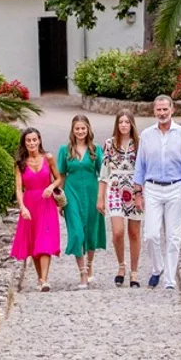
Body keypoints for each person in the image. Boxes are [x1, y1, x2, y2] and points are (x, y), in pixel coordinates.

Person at [132, 94, 181, 290]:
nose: (162, 113)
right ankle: (157, 266)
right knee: (151, 235)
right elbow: (139, 166)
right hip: (152, 188)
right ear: (154, 111)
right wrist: (137, 192)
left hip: (175, 187)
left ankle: (170, 280)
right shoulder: (146, 135)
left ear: (172, 110)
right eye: (158, 110)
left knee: (173, 236)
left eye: (165, 109)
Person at [10, 127, 63, 292]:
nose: (32, 143)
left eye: (35, 140)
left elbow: (59, 178)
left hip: (46, 202)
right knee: (34, 242)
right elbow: (19, 188)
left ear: (39, 141)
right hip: (30, 203)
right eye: (28, 141)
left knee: (45, 240)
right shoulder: (20, 163)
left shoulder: (48, 158)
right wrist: (22, 207)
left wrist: (51, 186)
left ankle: (45, 280)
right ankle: (40, 278)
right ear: (24, 143)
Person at [58, 114, 105, 288]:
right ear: (72, 130)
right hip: (72, 193)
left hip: (92, 193)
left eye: (83, 128)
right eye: (77, 128)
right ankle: (82, 273)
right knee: (77, 233)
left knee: (91, 232)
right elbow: (61, 176)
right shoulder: (65, 150)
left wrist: (102, 197)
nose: (80, 131)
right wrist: (59, 201)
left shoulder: (96, 149)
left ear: (88, 129)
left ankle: (90, 264)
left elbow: (103, 174)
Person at [98, 110, 142, 287]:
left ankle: (135, 272)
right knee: (117, 231)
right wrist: (100, 196)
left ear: (132, 124)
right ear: (117, 124)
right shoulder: (109, 143)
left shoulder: (139, 144)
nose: (124, 125)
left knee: (134, 232)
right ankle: (121, 265)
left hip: (134, 188)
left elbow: (144, 168)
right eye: (120, 122)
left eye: (127, 122)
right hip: (115, 187)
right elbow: (103, 171)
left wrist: (141, 192)